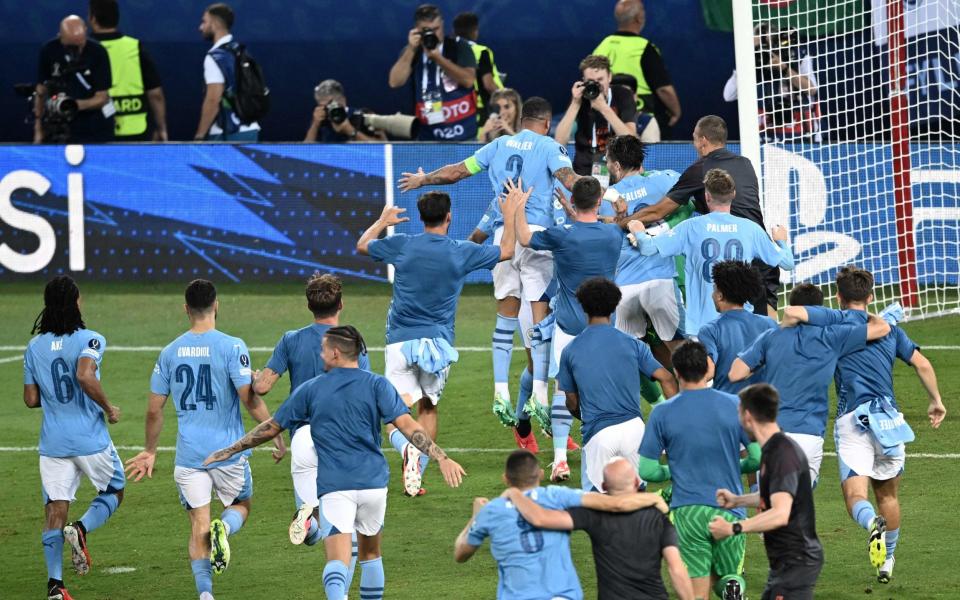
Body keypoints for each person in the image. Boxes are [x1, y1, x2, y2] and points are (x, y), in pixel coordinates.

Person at [204, 326, 465, 600]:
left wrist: (230, 450)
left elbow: (270, 429)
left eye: (323, 349)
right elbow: (409, 427)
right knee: (371, 555)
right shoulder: (377, 384)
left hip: (337, 486)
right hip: (374, 485)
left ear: (335, 353)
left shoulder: (312, 389)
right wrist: (441, 457)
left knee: (337, 562)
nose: (320, 354)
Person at [397, 97, 580, 448]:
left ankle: (500, 391)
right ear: (544, 123)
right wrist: (600, 192)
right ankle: (540, 395)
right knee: (541, 326)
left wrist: (423, 179)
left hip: (503, 241)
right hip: (535, 237)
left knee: (506, 317)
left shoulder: (497, 145)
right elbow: (569, 179)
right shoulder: (550, 146)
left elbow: (457, 172)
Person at [780, 266, 947, 583]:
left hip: (853, 422)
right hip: (889, 422)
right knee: (888, 496)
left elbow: (796, 316)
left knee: (856, 497)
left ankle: (871, 523)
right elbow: (922, 364)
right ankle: (888, 560)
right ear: (870, 297)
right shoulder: (890, 330)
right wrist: (936, 400)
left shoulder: (835, 332)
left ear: (839, 297)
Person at [124, 279, 284, 600]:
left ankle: (205, 595)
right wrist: (273, 429)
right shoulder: (232, 345)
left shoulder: (169, 352)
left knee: (198, 524)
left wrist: (150, 450)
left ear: (186, 309)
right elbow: (248, 399)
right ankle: (224, 528)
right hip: (227, 453)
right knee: (241, 505)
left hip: (188, 457)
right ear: (217, 305)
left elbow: (155, 410)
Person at [356, 190, 520, 496]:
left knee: (395, 414)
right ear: (449, 217)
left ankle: (408, 454)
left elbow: (362, 245)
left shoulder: (402, 244)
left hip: (400, 342)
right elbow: (508, 250)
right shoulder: (461, 250)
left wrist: (381, 221)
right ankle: (416, 465)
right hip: (438, 344)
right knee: (428, 408)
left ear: (421, 218)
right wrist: (509, 213)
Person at [252, 274, 368, 590]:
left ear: (308, 306)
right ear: (341, 304)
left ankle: (309, 522)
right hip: (342, 440)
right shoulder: (349, 340)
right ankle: (340, 591)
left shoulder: (291, 339)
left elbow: (262, 386)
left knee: (314, 522)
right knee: (347, 529)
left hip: (303, 438)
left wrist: (251, 375)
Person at [515, 176, 623, 481]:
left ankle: (560, 459)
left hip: (569, 324)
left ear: (571, 202)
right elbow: (611, 223)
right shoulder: (613, 234)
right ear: (598, 202)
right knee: (603, 386)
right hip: (604, 323)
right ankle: (606, 449)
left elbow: (524, 237)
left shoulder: (561, 235)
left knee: (564, 390)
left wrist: (517, 207)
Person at [619, 115, 781, 318]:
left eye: (694, 137)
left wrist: (622, 222)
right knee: (767, 330)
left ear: (702, 140)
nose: (693, 143)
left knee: (724, 327)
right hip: (761, 252)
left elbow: (657, 211)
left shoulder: (700, 169)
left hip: (733, 261)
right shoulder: (746, 164)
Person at [23, 276, 124, 600]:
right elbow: (84, 374)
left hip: (53, 443)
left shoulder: (34, 346)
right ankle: (81, 529)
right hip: (89, 438)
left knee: (54, 509)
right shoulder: (90, 339)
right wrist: (108, 406)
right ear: (76, 302)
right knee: (114, 490)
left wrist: (53, 398)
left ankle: (56, 586)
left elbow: (30, 399)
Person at [454, 450, 670, 600]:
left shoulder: (492, 510)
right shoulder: (556, 495)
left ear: (505, 479)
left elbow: (461, 554)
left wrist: (475, 516)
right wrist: (652, 498)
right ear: (539, 474)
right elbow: (615, 503)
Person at [729, 283, 890, 485]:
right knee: (798, 505)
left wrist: (762, 362)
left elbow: (735, 373)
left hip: (771, 433)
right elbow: (882, 327)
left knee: (771, 505)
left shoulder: (771, 337)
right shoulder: (832, 337)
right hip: (809, 434)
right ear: (819, 310)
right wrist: (841, 316)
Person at [638, 341, 760, 600]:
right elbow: (758, 457)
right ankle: (731, 588)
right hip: (730, 508)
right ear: (708, 369)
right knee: (729, 575)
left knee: (696, 591)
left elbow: (647, 471)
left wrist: (676, 470)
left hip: (688, 512)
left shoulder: (661, 413)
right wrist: (734, 465)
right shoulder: (735, 404)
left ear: (677, 373)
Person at [628, 168, 794, 337]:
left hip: (701, 326)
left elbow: (647, 248)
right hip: (741, 325)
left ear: (707, 196)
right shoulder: (751, 229)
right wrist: (781, 240)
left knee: (705, 364)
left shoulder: (690, 228)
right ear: (733, 194)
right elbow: (788, 263)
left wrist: (638, 230)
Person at [505, 457, 694, 600]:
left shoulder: (593, 514)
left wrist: (515, 493)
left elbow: (541, 519)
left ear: (603, 486)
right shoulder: (658, 516)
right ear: (637, 483)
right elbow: (676, 569)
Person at [559, 277, 678, 491]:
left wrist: (584, 415)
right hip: (634, 430)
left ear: (583, 308)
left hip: (598, 433)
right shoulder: (633, 344)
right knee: (637, 499)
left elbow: (571, 401)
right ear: (614, 307)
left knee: (597, 502)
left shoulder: (571, 350)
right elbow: (667, 378)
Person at [709, 384, 824, 600]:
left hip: (796, 562)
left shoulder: (782, 453)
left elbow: (780, 513)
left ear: (748, 416)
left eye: (739, 413)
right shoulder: (773, 449)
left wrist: (733, 528)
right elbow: (774, 495)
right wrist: (737, 501)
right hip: (786, 563)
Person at [598, 135, 683, 366]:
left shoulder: (607, 199)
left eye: (608, 161)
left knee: (624, 359)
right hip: (661, 279)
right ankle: (699, 397)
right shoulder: (666, 180)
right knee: (683, 352)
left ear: (616, 165)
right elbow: (690, 205)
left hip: (625, 284)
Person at [388, 4, 477, 141]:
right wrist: (411, 49)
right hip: (428, 135)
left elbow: (468, 80)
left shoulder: (459, 45)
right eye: (427, 30)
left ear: (442, 24)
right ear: (417, 29)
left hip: (464, 135)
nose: (433, 34)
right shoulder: (413, 51)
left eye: (436, 29)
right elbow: (394, 82)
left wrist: (438, 58)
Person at [593, 0, 681, 137]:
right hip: (642, 121)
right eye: (643, 10)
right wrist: (676, 111)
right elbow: (664, 89)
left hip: (607, 122)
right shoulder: (645, 48)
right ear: (639, 18)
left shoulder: (601, 47)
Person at [723, 24, 821, 143]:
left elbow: (812, 89)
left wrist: (784, 69)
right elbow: (728, 96)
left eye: (767, 42)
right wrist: (744, 59)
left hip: (801, 132)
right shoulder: (751, 63)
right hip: (767, 134)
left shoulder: (798, 55)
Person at [88, 0, 168, 141]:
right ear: (117, 18)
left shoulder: (85, 50)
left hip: (95, 130)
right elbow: (155, 94)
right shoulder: (135, 47)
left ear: (92, 19)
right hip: (135, 131)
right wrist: (161, 128)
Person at [555, 54, 638, 182]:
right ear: (583, 80)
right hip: (584, 170)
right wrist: (575, 103)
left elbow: (631, 139)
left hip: (617, 168)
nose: (596, 85)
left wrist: (604, 108)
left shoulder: (623, 95)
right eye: (591, 81)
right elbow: (559, 141)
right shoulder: (580, 98)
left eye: (600, 79)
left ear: (609, 77)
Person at [697, 260, 777, 394]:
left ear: (720, 296)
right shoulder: (769, 324)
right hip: (763, 403)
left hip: (727, 405)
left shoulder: (709, 330)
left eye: (714, 290)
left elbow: (708, 372)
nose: (712, 295)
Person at [35, 15, 114, 144]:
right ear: (60, 36)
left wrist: (72, 106)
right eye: (70, 46)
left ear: (86, 31)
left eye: (79, 45)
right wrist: (38, 128)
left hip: (93, 128)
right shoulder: (49, 51)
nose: (75, 51)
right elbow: (41, 90)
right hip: (57, 128)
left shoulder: (98, 52)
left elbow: (102, 97)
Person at [194, 3, 260, 141]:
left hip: (227, 134)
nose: (200, 27)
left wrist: (200, 135)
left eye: (204, 22)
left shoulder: (215, 57)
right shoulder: (240, 51)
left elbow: (213, 99)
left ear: (215, 24)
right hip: (250, 129)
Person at [452, 12, 503, 124]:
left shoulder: (447, 52)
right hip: (478, 112)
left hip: (454, 111)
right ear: (475, 30)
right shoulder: (481, 51)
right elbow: (488, 85)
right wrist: (504, 98)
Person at [304, 79, 384, 143]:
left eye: (330, 104)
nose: (327, 109)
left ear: (343, 101)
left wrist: (350, 131)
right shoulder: (321, 120)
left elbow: (384, 148)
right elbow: (304, 152)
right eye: (323, 107)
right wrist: (315, 125)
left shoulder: (365, 115)